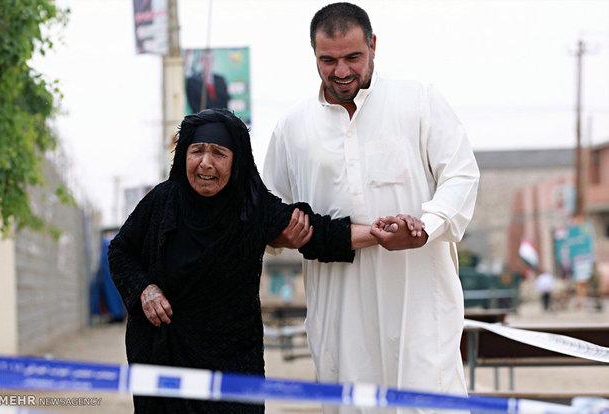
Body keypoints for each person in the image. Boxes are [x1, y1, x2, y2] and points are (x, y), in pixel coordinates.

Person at [108, 108, 421, 413]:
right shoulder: (162, 201)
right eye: (197, 151)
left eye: (219, 153)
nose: (206, 163)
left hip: (229, 360)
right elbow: (120, 250)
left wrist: (379, 234)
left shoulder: (251, 207)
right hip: (163, 354)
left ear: (236, 160)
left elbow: (322, 234)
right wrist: (144, 289)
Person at [263, 3, 480, 413]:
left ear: (374, 46)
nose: (341, 71)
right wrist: (281, 233)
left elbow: (461, 176)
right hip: (339, 311)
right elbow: (269, 208)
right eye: (328, 60)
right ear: (314, 55)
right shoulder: (293, 127)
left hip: (419, 302)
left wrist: (426, 227)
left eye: (352, 58)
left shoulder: (418, 100)